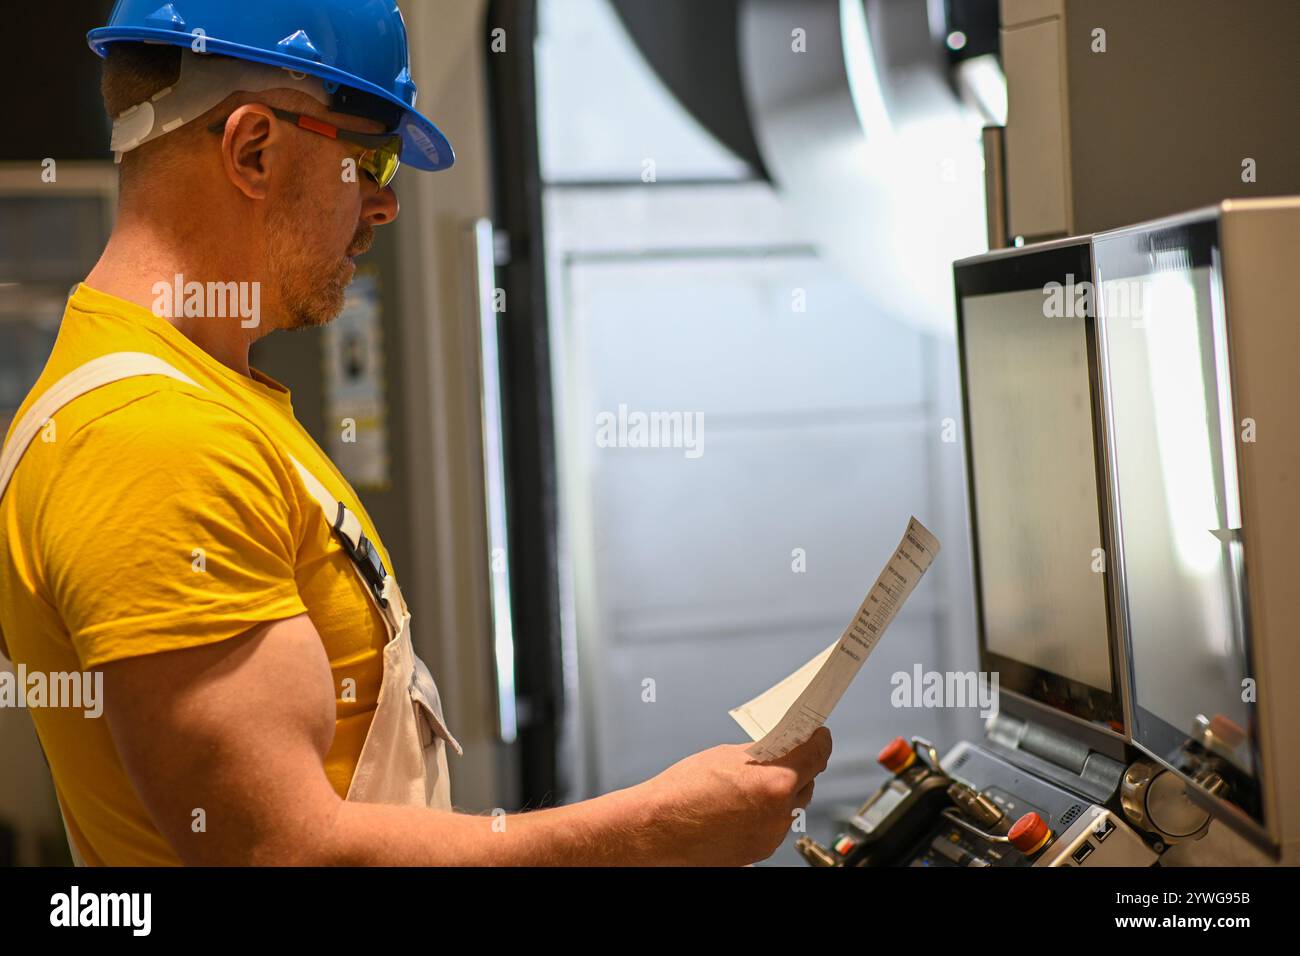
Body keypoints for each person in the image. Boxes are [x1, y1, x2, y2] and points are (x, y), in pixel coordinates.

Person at [0, 0, 830, 866]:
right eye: (372, 158)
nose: (388, 204)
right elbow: (284, 857)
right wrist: (659, 829)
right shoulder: (152, 439)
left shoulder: (205, 399)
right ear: (252, 147)